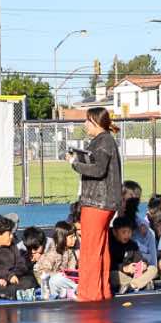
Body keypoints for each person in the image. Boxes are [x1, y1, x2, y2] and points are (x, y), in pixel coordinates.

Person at [68, 107, 122, 303]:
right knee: (101, 247)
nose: (85, 124)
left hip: (97, 202)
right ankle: (102, 290)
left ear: (96, 123)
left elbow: (98, 170)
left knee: (90, 248)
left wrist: (75, 163)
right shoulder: (106, 140)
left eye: (87, 121)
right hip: (105, 202)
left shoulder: (103, 141)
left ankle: (88, 293)